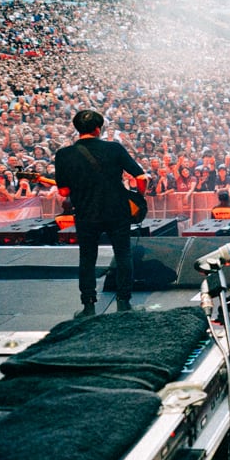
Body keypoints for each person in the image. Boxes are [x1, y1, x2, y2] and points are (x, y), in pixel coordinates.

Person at [54, 108, 148, 318]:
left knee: (87, 258)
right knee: (123, 254)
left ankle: (88, 306)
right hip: (117, 211)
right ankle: (123, 304)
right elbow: (141, 177)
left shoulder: (64, 154)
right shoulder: (114, 149)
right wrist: (139, 196)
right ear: (98, 129)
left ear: (77, 129)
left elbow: (63, 191)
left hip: (86, 212)